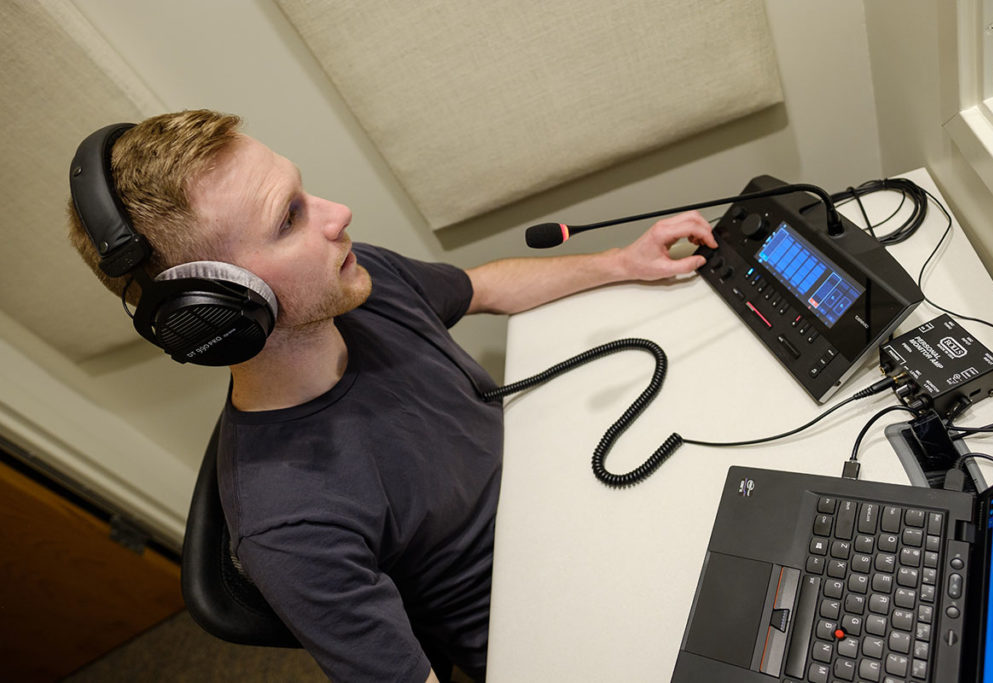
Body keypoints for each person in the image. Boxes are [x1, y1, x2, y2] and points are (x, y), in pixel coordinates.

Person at [67, 110, 717, 682]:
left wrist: (623, 263)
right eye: (289, 217)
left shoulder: (354, 280)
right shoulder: (291, 526)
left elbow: (482, 285)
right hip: (563, 630)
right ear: (215, 310)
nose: (336, 214)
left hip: (581, 504)